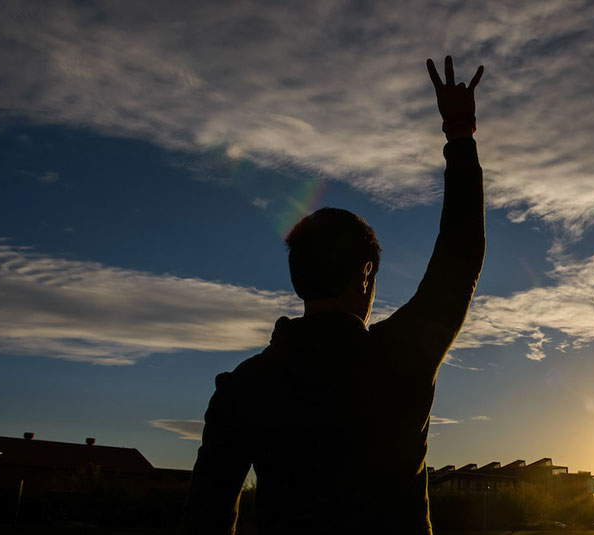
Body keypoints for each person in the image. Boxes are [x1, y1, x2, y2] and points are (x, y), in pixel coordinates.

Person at [184, 56, 486, 534]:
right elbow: (461, 254)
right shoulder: (400, 355)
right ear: (365, 274)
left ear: (298, 275)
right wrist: (459, 134)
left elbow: (206, 516)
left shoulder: (242, 387)